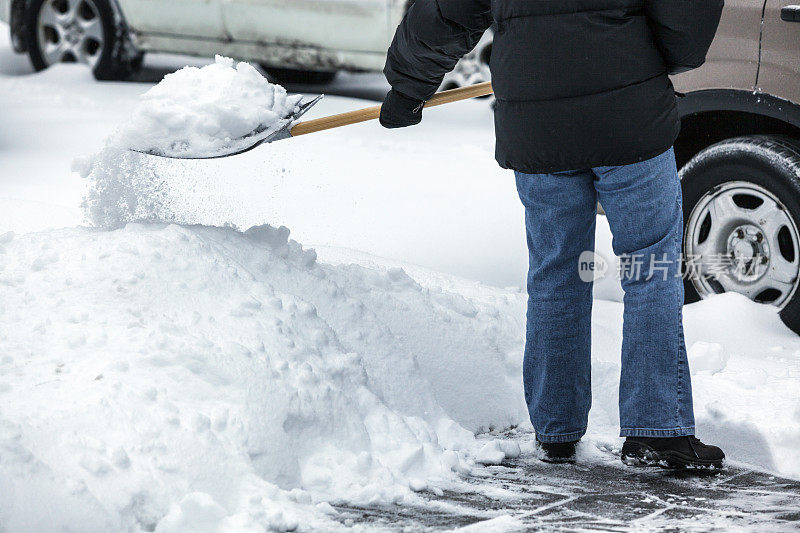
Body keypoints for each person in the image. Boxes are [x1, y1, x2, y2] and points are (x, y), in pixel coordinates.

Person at [379, 0, 726, 468]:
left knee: (558, 272)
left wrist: (409, 85)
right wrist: (657, 56)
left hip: (538, 124)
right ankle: (658, 433)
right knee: (651, 271)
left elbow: (443, 12)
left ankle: (556, 431)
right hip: (630, 116)